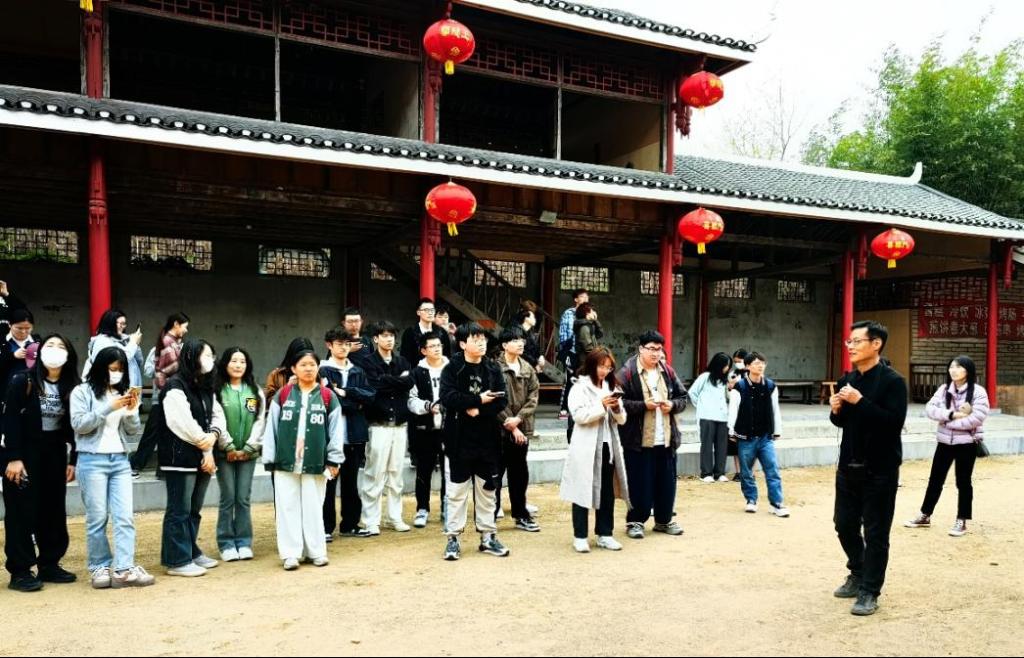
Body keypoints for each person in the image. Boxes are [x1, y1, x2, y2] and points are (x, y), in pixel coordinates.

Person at [829, 320, 908, 616]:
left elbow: (892, 423)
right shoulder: (847, 380)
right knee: (844, 524)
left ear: (876, 344)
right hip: (848, 465)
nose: (850, 346)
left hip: (880, 469)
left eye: (856, 341)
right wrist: (836, 410)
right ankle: (858, 570)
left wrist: (860, 401)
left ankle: (869, 591)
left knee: (876, 532)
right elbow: (843, 422)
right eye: (849, 342)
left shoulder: (893, 382)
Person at [70, 346, 154, 588]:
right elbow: (79, 424)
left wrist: (131, 411)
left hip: (119, 460)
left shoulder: (123, 391)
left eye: (120, 369)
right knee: (97, 517)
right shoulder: (82, 391)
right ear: (100, 368)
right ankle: (99, 566)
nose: (116, 373)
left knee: (124, 516)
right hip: (91, 460)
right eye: (111, 368)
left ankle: (124, 567)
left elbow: (133, 430)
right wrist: (110, 407)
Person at [2, 334, 80, 592]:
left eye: (61, 346)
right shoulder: (22, 381)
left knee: (53, 509)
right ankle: (21, 570)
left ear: (68, 354)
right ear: (40, 351)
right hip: (24, 453)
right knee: (21, 511)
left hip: (54, 452)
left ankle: (49, 563)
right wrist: (13, 457)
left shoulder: (73, 386)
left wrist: (73, 459)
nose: (55, 350)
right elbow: (10, 420)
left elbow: (75, 428)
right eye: (50, 345)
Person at [263, 346, 345, 571]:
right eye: (303, 365)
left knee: (313, 506)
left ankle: (316, 551)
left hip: (315, 461)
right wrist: (269, 458)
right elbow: (271, 427)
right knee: (287, 507)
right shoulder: (283, 395)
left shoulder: (328, 396)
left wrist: (334, 460)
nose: (308, 369)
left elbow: (336, 431)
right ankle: (291, 553)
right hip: (285, 460)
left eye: (312, 365)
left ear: (318, 368)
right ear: (293, 369)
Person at [440, 322, 509, 560]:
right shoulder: (452, 368)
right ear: (462, 344)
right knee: (456, 491)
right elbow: (447, 397)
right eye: (475, 339)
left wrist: (478, 408)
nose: (481, 343)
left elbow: (501, 400)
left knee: (487, 489)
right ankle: (453, 538)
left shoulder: (492, 368)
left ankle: (488, 536)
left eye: (483, 339)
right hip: (458, 439)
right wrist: (476, 400)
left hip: (488, 439)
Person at [156, 339, 225, 578]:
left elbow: (217, 416)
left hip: (203, 456)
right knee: (179, 509)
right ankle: (177, 559)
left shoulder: (206, 386)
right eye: (205, 355)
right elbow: (182, 423)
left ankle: (191, 550)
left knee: (194, 509)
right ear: (191, 356)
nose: (210, 360)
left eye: (211, 356)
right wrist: (205, 445)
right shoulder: (175, 386)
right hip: (179, 457)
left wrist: (212, 439)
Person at [906, 355, 989, 537]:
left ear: (968, 370)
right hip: (944, 442)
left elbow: (977, 417)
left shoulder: (978, 392)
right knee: (935, 480)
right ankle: (925, 515)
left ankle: (962, 519)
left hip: (967, 443)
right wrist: (952, 415)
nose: (953, 370)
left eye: (958, 367)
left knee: (963, 482)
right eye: (951, 367)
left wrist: (946, 422)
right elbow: (930, 409)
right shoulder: (944, 389)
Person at [617, 331, 687, 539]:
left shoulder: (667, 371)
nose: (656, 353)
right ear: (641, 349)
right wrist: (643, 406)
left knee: (667, 483)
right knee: (639, 483)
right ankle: (635, 522)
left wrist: (672, 405)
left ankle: (664, 520)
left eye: (659, 349)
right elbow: (618, 403)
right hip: (637, 440)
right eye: (651, 349)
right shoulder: (627, 373)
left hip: (666, 438)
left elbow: (683, 397)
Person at [561, 347, 630, 553]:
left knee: (607, 491)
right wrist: (601, 406)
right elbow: (579, 416)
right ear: (592, 364)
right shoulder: (579, 387)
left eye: (608, 367)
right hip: (586, 446)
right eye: (601, 366)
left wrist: (616, 408)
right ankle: (580, 535)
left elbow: (622, 420)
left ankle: (605, 534)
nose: (605, 371)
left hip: (608, 445)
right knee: (581, 489)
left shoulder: (611, 386)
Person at [319, 327, 375, 540]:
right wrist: (354, 403)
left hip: (354, 435)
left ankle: (350, 524)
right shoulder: (322, 370)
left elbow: (370, 397)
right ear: (329, 345)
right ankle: (325, 527)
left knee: (351, 482)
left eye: (347, 344)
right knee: (327, 483)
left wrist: (347, 393)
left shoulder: (357, 370)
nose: (343, 347)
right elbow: (329, 401)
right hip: (330, 437)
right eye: (339, 343)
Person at [360, 321, 414, 535]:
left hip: (400, 424)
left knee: (396, 474)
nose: (389, 339)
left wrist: (387, 380)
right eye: (384, 335)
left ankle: (394, 516)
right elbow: (373, 386)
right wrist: (396, 381)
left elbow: (409, 383)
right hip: (378, 424)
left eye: (391, 335)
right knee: (374, 473)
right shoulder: (367, 362)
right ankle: (370, 520)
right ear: (375, 339)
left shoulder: (402, 361)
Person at [213, 347, 266, 562]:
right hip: (224, 453)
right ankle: (226, 543)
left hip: (248, 454)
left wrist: (248, 448)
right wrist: (228, 446)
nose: (238, 365)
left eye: (242, 361)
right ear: (225, 364)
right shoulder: (217, 390)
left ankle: (244, 542)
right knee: (228, 497)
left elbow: (260, 420)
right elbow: (216, 420)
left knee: (243, 498)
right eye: (233, 361)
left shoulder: (254, 390)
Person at [727, 352, 790, 517]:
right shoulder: (739, 387)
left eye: (762, 363)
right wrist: (731, 431)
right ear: (747, 366)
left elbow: (775, 409)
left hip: (765, 436)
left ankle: (777, 503)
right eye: (756, 363)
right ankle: (751, 499)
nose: (760, 366)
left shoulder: (770, 386)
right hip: (745, 436)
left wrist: (777, 430)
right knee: (746, 472)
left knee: (772, 470)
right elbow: (733, 410)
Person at [131, 312, 190, 475]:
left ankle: (162, 469)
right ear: (176, 325)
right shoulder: (158, 349)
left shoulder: (184, 349)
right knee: (151, 434)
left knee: (172, 436)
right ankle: (135, 465)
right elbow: (148, 370)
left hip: (179, 398)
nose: (186, 331)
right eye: (185, 326)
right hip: (161, 398)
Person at [494, 326, 541, 532]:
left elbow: (533, 397)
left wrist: (519, 419)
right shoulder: (494, 368)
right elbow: (495, 399)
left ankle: (521, 515)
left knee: (519, 473)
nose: (520, 343)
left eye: (522, 339)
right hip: (498, 429)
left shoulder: (528, 368)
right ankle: (489, 517)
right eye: (515, 340)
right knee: (495, 473)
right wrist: (511, 424)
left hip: (522, 428)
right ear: (504, 345)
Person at [407, 333, 449, 528]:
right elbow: (411, 400)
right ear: (423, 350)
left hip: (449, 427)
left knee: (449, 470)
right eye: (432, 346)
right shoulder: (416, 372)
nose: (437, 349)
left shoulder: (452, 369)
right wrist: (427, 406)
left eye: (439, 345)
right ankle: (422, 508)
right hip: (425, 428)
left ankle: (447, 506)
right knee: (424, 470)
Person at [689, 352, 732, 483]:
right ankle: (706, 473)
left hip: (723, 417)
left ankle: (719, 473)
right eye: (725, 365)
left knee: (722, 446)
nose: (727, 368)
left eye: (729, 366)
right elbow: (692, 392)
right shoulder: (705, 377)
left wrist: (731, 387)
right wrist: (701, 406)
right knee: (707, 444)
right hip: (706, 416)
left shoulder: (726, 380)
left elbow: (729, 397)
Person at [82, 309, 145, 389]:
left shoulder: (124, 340)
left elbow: (139, 361)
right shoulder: (102, 341)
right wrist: (133, 343)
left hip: (133, 389)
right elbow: (119, 360)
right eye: (121, 323)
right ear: (110, 324)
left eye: (124, 324)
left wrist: (135, 343)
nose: (123, 327)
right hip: (114, 390)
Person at [557, 288, 589, 421]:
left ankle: (580, 407)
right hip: (572, 352)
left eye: (587, 297)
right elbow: (564, 334)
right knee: (570, 380)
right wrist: (566, 353)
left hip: (585, 353)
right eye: (582, 296)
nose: (585, 299)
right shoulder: (569, 313)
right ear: (576, 299)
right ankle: (564, 408)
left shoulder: (589, 313)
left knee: (585, 380)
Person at [400, 297, 450, 366]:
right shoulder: (410, 332)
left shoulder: (442, 332)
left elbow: (447, 356)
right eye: (426, 310)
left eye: (432, 310)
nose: (430, 313)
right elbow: (405, 358)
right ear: (418, 312)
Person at [0, 308, 37, 399]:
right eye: (19, 328)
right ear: (10, 325)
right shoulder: (2, 341)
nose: (23, 332)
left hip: (30, 392)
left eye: (28, 328)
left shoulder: (37, 342)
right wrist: (13, 356)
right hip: (4, 390)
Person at [726, 349, 749, 480]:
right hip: (736, 411)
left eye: (739, 361)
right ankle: (738, 471)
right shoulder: (733, 374)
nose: (737, 364)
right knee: (736, 444)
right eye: (735, 361)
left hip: (749, 412)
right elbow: (729, 395)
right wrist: (730, 387)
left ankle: (748, 472)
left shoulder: (752, 374)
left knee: (750, 444)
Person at [342, 307, 375, 371]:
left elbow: (372, 362)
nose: (353, 325)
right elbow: (329, 364)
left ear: (361, 322)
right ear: (344, 323)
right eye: (350, 322)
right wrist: (346, 350)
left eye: (356, 321)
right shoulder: (338, 341)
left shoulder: (367, 340)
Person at [514, 307, 546, 372]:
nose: (535, 319)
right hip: (519, 367)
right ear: (526, 318)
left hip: (527, 367)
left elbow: (535, 347)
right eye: (533, 317)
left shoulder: (530, 333)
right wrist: (535, 364)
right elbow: (521, 352)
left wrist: (541, 355)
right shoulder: (517, 331)